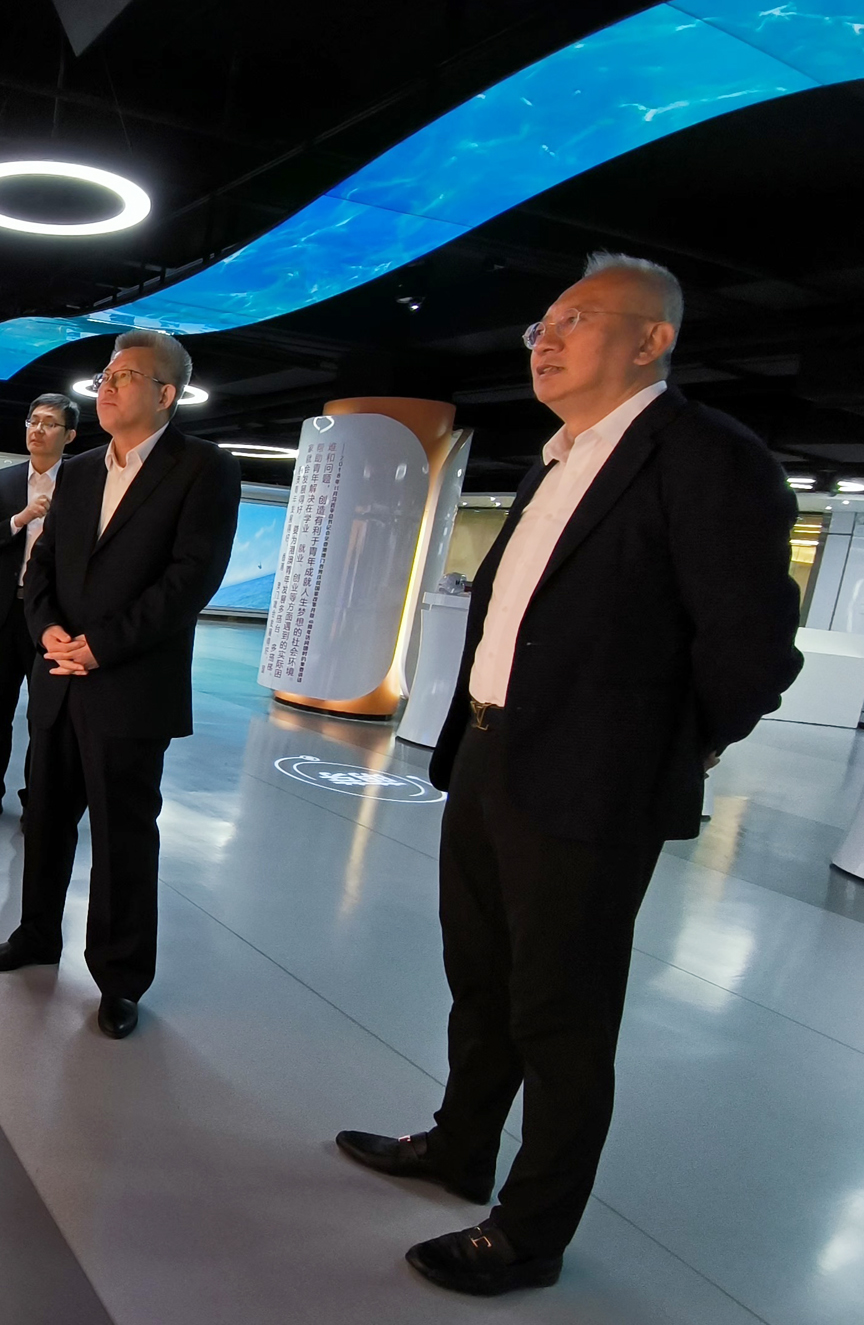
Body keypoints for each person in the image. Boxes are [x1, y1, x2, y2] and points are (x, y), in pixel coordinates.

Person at [335, 254, 802, 1295]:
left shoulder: (707, 458)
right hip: (490, 751)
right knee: (481, 977)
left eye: (576, 320)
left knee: (561, 1012)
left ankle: (530, 1230)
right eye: (539, 325)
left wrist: (672, 744)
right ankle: (461, 1144)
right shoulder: (553, 461)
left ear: (651, 341)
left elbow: (751, 645)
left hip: (594, 780)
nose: (543, 340)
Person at [0, 329, 240, 1039]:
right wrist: (49, 632)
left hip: (131, 687)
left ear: (166, 393)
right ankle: (35, 933)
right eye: (106, 376)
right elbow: (42, 566)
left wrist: (104, 646)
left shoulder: (203, 468)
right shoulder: (83, 469)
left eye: (125, 376)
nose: (108, 386)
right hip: (58, 676)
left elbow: (191, 579)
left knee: (123, 838)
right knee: (45, 819)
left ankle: (120, 978)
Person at [0, 393, 79, 819]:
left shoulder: (81, 481)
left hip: (53, 619)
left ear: (69, 435)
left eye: (49, 423)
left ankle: (36, 801)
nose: (38, 430)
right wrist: (21, 518)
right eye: (33, 421)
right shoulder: (5, 481)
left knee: (43, 717)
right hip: (6, 612)